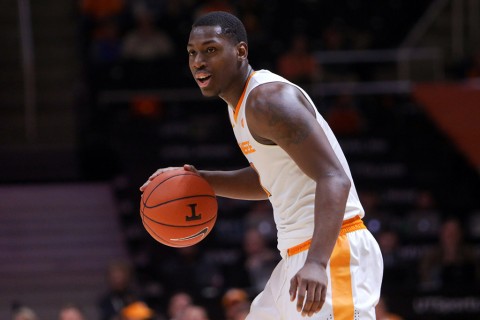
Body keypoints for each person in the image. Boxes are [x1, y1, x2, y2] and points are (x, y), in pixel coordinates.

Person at [140, 11, 383, 319]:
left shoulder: (267, 100)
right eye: (192, 53)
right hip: (297, 255)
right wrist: (200, 181)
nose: (198, 61)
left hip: (331, 251)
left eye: (211, 50)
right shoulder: (239, 106)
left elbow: (334, 178)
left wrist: (317, 263)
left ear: (241, 51)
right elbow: (270, 181)